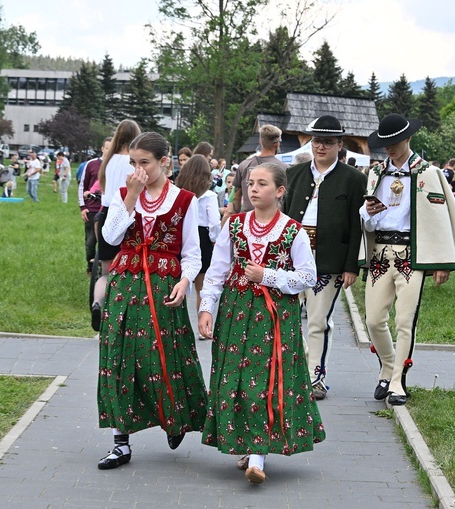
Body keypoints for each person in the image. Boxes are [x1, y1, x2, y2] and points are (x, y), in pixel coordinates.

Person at [198, 162, 325, 484]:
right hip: (236, 313)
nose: (253, 189)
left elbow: (308, 277)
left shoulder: (293, 231)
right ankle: (247, 444)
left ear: (280, 191)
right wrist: (206, 308)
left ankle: (258, 457)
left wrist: (267, 275)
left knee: (265, 383)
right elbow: (217, 271)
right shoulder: (235, 225)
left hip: (274, 318)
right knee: (235, 382)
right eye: (251, 183)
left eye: (262, 184)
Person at [96, 132, 208, 470]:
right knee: (118, 359)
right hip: (125, 286)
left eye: (144, 162)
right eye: (133, 162)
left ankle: (174, 417)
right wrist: (130, 196)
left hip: (162, 289)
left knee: (163, 358)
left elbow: (192, 252)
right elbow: (110, 237)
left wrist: (186, 281)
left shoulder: (185, 200)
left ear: (164, 162)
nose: (138, 169)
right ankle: (120, 441)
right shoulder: (125, 194)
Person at [360, 114, 455, 406]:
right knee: (374, 320)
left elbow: (441, 217)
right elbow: (363, 217)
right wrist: (368, 215)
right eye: (384, 144)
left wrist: (441, 260)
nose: (389, 149)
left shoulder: (429, 173)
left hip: (412, 257)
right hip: (379, 254)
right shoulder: (374, 174)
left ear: (408, 139)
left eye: (394, 143)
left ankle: (398, 380)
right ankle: (387, 366)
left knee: (405, 320)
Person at [283, 115, 367, 400]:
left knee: (318, 320)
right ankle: (298, 370)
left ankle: (315, 377)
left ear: (339, 145)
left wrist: (351, 266)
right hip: (293, 258)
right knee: (289, 318)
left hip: (329, 260)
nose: (320, 147)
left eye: (327, 142)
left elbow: (356, 225)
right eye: (317, 141)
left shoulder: (354, 179)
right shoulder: (293, 174)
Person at [91, 119, 142, 331]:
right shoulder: (131, 163)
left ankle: (97, 302)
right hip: (123, 213)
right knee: (124, 269)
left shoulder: (108, 161)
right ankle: (119, 313)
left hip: (104, 213)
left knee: (105, 271)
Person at [175, 154, 221, 319]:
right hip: (203, 237)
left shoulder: (179, 192)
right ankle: (202, 322)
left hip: (181, 234)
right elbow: (215, 222)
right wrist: (214, 238)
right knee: (201, 287)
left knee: (180, 282)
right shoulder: (210, 196)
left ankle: (179, 321)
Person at [233, 125, 287, 213]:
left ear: (260, 142)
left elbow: (236, 196)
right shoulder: (284, 168)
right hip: (273, 219)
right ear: (277, 144)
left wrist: (237, 216)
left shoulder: (244, 164)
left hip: (247, 219)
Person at [79, 138, 110, 275]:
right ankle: (91, 267)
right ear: (102, 148)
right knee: (91, 241)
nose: (110, 151)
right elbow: (82, 186)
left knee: (108, 241)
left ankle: (106, 269)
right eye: (107, 148)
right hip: (92, 208)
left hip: (108, 208)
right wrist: (83, 206)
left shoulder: (116, 165)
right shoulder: (91, 164)